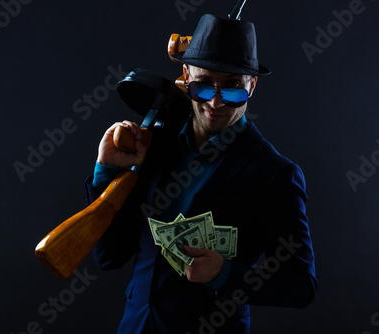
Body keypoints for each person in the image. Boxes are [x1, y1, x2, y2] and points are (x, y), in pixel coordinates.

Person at [84, 14, 317, 334]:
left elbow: (300, 284)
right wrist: (106, 171)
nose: (216, 102)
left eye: (234, 89)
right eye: (204, 85)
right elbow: (109, 256)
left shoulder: (275, 174)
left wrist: (225, 274)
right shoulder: (154, 147)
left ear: (252, 84)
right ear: (186, 75)